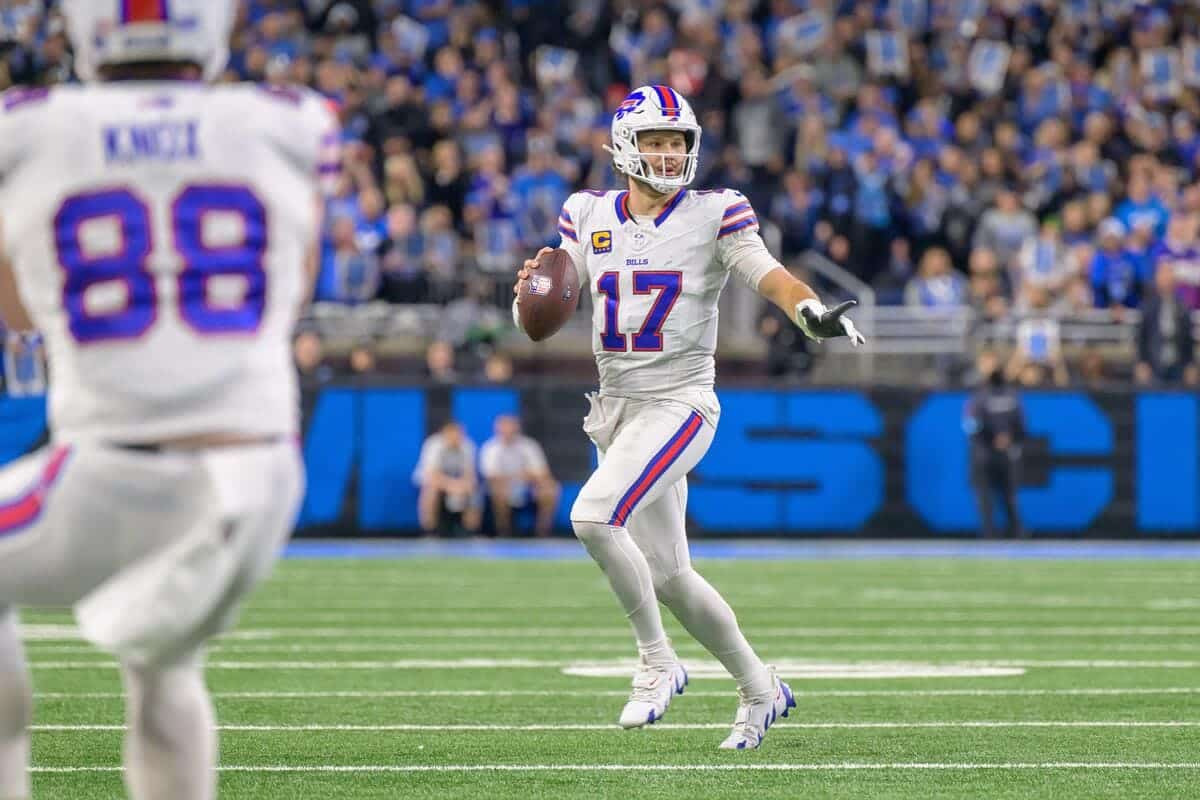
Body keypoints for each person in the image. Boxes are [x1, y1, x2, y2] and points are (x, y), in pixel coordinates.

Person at [0, 2, 336, 798]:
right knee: (163, 662)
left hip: (118, 469)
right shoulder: (286, 119)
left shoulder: (29, 127)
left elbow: (17, 310)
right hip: (262, 471)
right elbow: (295, 286)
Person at [512, 84, 864, 750]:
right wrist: (527, 297)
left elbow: (766, 272)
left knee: (592, 517)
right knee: (671, 577)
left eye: (678, 142)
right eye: (656, 142)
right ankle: (761, 688)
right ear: (626, 147)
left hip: (680, 402)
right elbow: (553, 296)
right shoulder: (587, 212)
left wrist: (808, 310)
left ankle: (656, 661)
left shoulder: (715, 212)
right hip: (617, 407)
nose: (670, 155)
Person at [964, 351, 1027, 539]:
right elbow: (971, 425)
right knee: (988, 496)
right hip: (988, 452)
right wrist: (998, 438)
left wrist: (1004, 438)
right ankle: (992, 533)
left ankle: (1011, 532)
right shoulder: (1000, 394)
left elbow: (971, 424)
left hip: (995, 452)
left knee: (1006, 495)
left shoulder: (988, 395)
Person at [479, 414, 560, 537]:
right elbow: (491, 476)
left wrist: (522, 478)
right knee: (498, 489)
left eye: (510, 427)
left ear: (517, 428)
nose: (508, 431)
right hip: (503, 487)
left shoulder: (529, 445)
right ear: (497, 429)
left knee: (550, 488)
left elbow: (542, 473)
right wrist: (518, 476)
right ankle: (504, 532)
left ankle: (542, 532)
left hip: (528, 487)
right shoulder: (490, 447)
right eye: (504, 428)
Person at [413, 421, 482, 536]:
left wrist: (462, 486)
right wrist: (452, 486)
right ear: (445, 434)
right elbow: (432, 474)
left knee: (473, 491)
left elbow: (470, 474)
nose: (456, 438)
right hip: (432, 481)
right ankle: (429, 531)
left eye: (459, 435)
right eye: (453, 435)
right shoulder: (433, 445)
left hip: (457, 482)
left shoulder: (468, 445)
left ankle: (471, 531)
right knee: (431, 491)